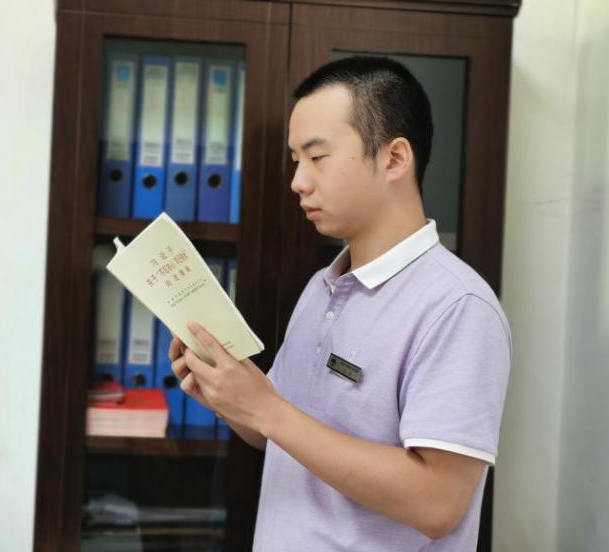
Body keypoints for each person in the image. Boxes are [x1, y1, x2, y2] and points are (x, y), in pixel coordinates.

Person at [169, 56, 512, 551]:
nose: (298, 181)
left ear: (394, 159)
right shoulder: (322, 286)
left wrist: (266, 410)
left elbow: (438, 503)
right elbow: (281, 434)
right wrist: (229, 399)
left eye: (317, 157)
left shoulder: (458, 306)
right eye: (295, 160)